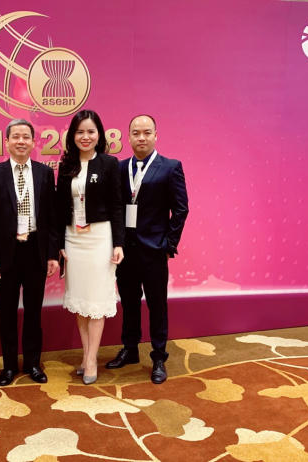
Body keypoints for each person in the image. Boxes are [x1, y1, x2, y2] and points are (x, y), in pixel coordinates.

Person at [107, 114, 189, 384]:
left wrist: (169, 244)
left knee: (157, 305)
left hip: (154, 251)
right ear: (128, 137)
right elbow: (115, 208)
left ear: (155, 135)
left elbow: (181, 209)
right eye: (136, 133)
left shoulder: (170, 167)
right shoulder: (120, 168)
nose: (141, 138)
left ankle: (158, 357)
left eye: (146, 132)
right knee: (129, 303)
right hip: (125, 251)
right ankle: (130, 349)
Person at [0, 119, 59, 386]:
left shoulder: (44, 173)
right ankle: (8, 366)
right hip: (6, 253)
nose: (21, 141)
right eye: (16, 136)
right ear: (7, 142)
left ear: (33, 142)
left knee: (34, 312)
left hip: (36, 251)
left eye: (26, 137)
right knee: (7, 313)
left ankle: (33, 364)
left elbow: (51, 217)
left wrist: (52, 254)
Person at [56, 109, 124, 385]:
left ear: (99, 135)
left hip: (99, 238)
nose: (85, 137)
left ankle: (92, 359)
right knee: (80, 301)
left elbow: (117, 206)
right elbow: (60, 208)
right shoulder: (66, 165)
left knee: (95, 301)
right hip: (73, 238)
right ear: (73, 136)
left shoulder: (109, 164)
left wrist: (118, 242)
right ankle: (86, 356)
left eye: (91, 131)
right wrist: (59, 243)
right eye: (80, 132)